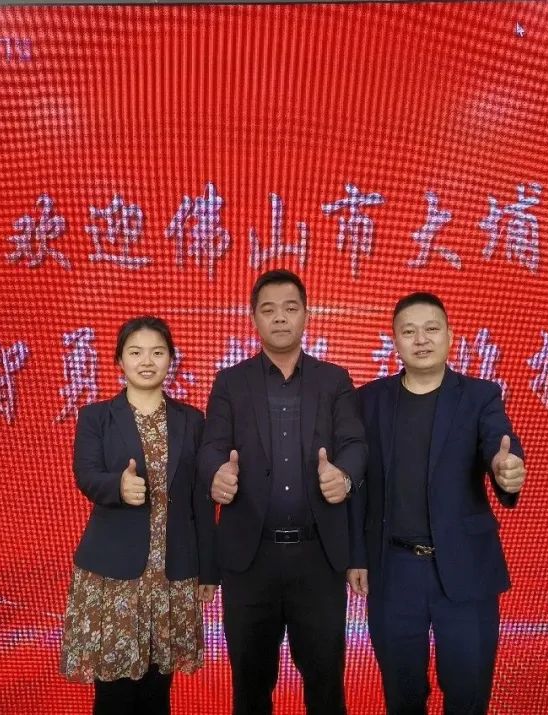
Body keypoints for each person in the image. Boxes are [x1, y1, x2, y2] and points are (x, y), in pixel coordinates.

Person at [347, 292, 526, 715]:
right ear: (394, 340)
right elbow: (358, 485)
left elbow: (498, 442)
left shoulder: (480, 396)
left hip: (465, 567)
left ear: (450, 335)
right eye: (409, 331)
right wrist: (356, 555)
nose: (421, 339)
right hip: (394, 571)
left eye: (431, 329)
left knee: (468, 693)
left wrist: (505, 466)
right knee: (402, 694)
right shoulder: (368, 401)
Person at [198, 269, 367, 715]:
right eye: (268, 309)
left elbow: (354, 443)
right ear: (253, 317)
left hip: (318, 559)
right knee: (250, 687)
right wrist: (216, 472)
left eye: (290, 308)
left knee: (326, 686)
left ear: (306, 315)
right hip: (250, 560)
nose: (280, 318)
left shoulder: (334, 380)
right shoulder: (230, 382)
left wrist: (344, 476)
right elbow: (212, 446)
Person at [61, 316, 218, 715]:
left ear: (170, 360)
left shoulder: (192, 420)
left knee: (156, 691)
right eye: (135, 352)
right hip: (113, 576)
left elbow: (201, 499)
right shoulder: (96, 417)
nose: (146, 361)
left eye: (157, 352)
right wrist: (118, 486)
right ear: (119, 360)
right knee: (114, 693)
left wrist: (209, 570)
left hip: (172, 573)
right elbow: (86, 474)